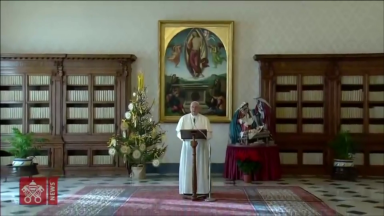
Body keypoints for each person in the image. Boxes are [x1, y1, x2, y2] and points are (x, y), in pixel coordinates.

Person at [176, 101, 212, 196]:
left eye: (196, 107)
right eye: (192, 107)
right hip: (188, 147)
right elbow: (179, 133)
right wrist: (184, 138)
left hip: (201, 148)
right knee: (188, 167)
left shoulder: (205, 119)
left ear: (199, 108)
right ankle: (187, 189)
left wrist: (202, 137)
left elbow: (209, 134)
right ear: (190, 108)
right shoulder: (183, 119)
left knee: (200, 167)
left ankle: (201, 190)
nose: (194, 109)